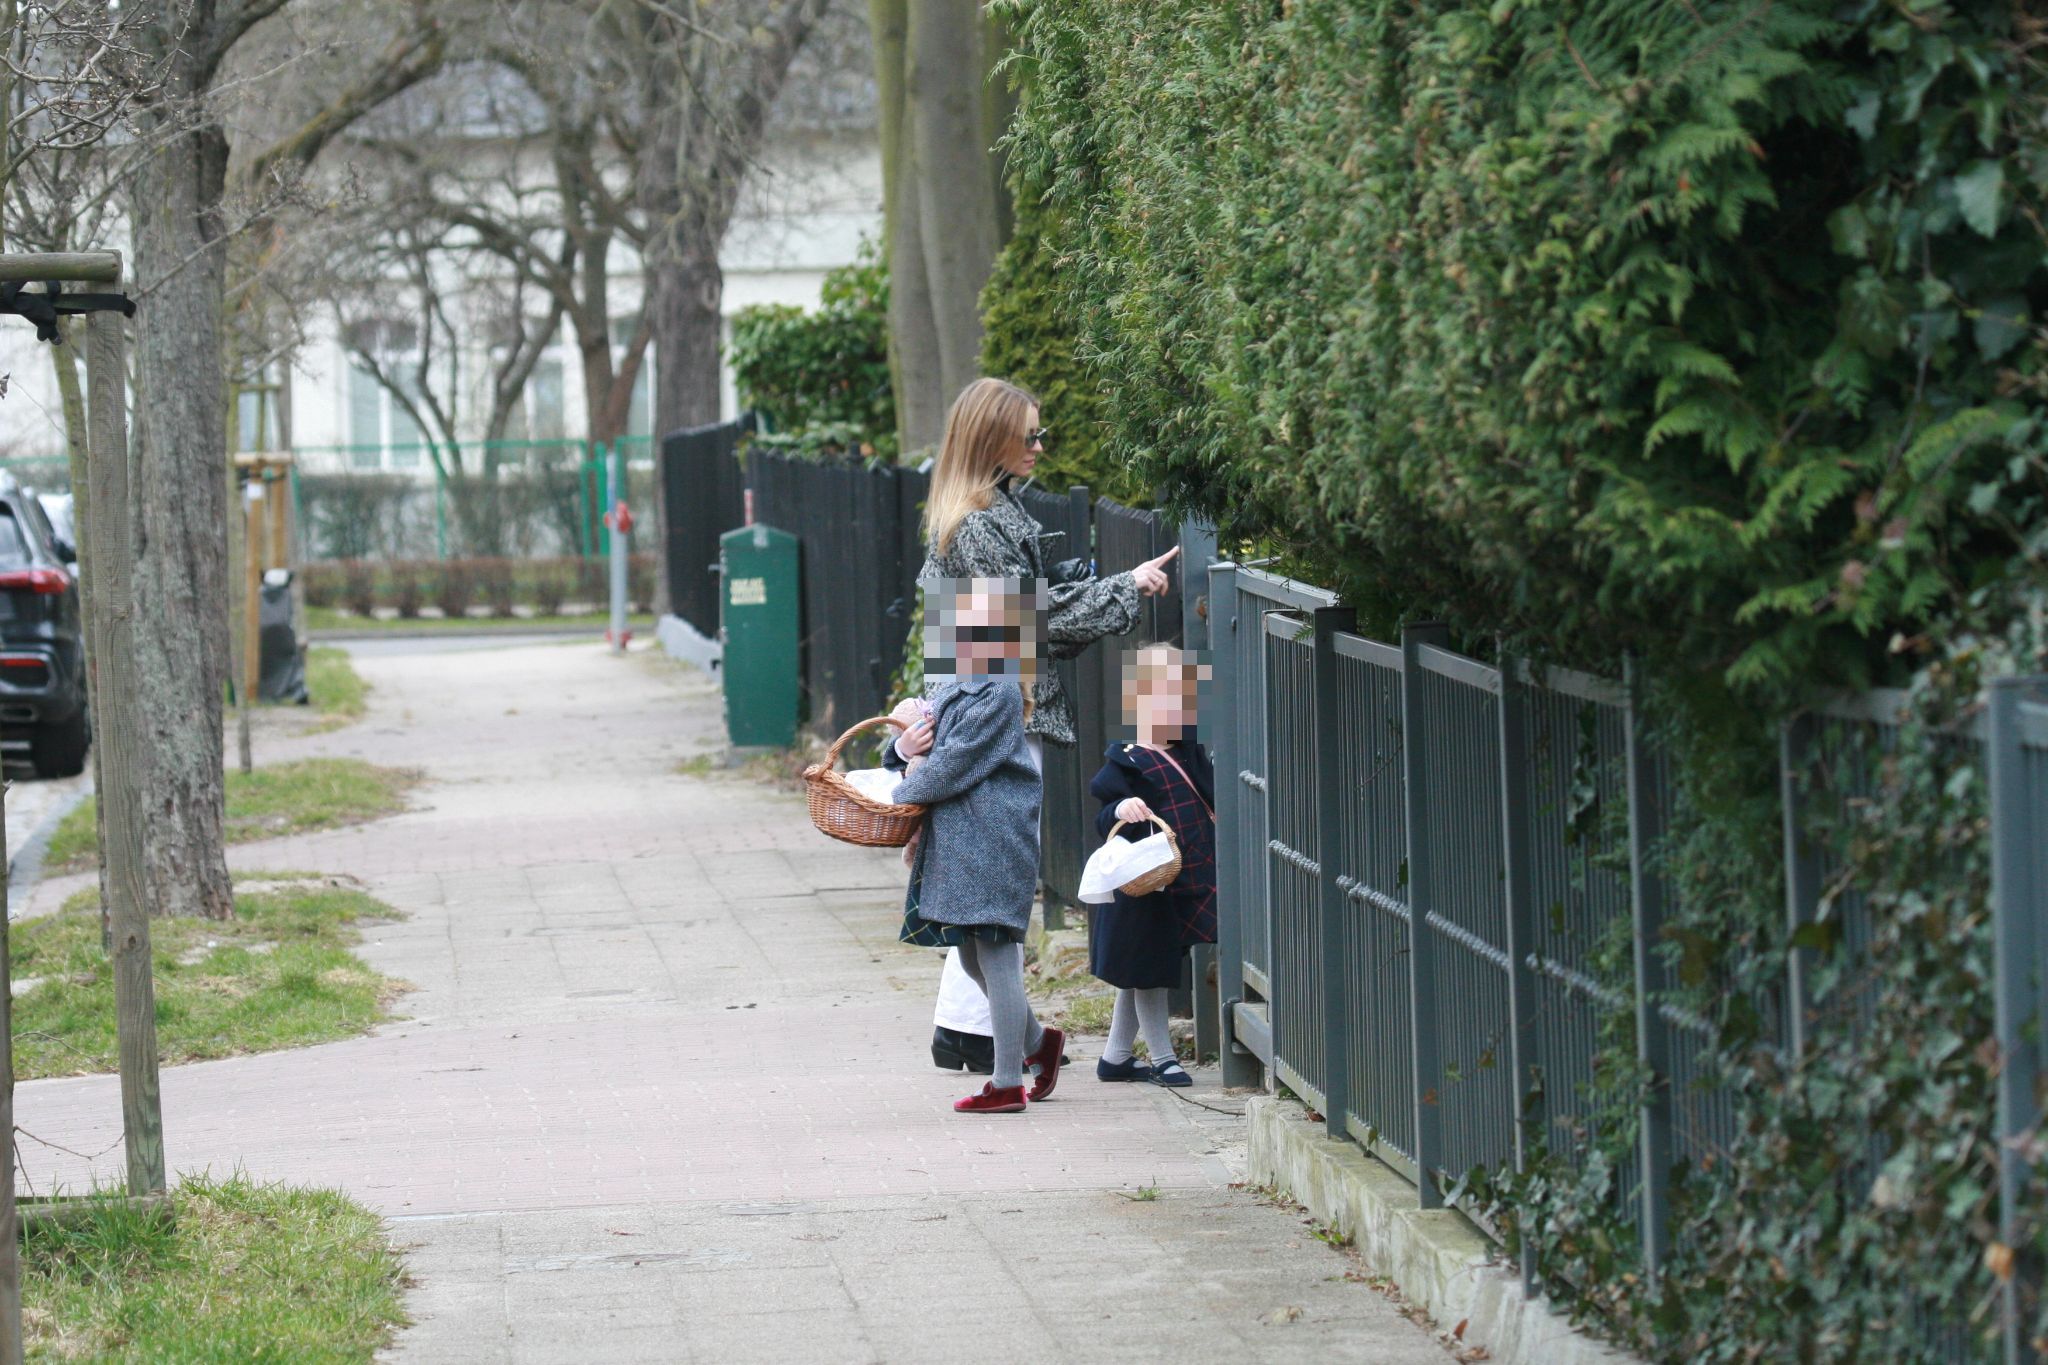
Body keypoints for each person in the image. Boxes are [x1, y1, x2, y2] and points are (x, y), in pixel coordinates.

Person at [892, 377, 1179, 1073]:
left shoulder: (981, 515)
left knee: (979, 891)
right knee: (993, 893)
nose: (1041, 447)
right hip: (998, 720)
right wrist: (1126, 586)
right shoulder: (981, 526)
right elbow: (1031, 624)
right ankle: (1004, 1047)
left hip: (984, 714)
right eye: (1030, 435)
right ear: (990, 438)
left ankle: (989, 1038)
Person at [891, 577, 1063, 1113]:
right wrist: (900, 746)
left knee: (996, 955)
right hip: (958, 840)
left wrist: (901, 794)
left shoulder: (998, 689)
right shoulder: (951, 686)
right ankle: (1040, 1044)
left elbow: (953, 762)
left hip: (991, 838)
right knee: (969, 958)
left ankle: (1008, 1080)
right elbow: (919, 744)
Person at [1086, 644, 1215, 1087]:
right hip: (1145, 887)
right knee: (1151, 972)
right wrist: (1123, 807)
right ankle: (1163, 1058)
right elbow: (1103, 817)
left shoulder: (1191, 752)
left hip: (1185, 879)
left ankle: (1116, 1058)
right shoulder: (1126, 759)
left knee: (1146, 966)